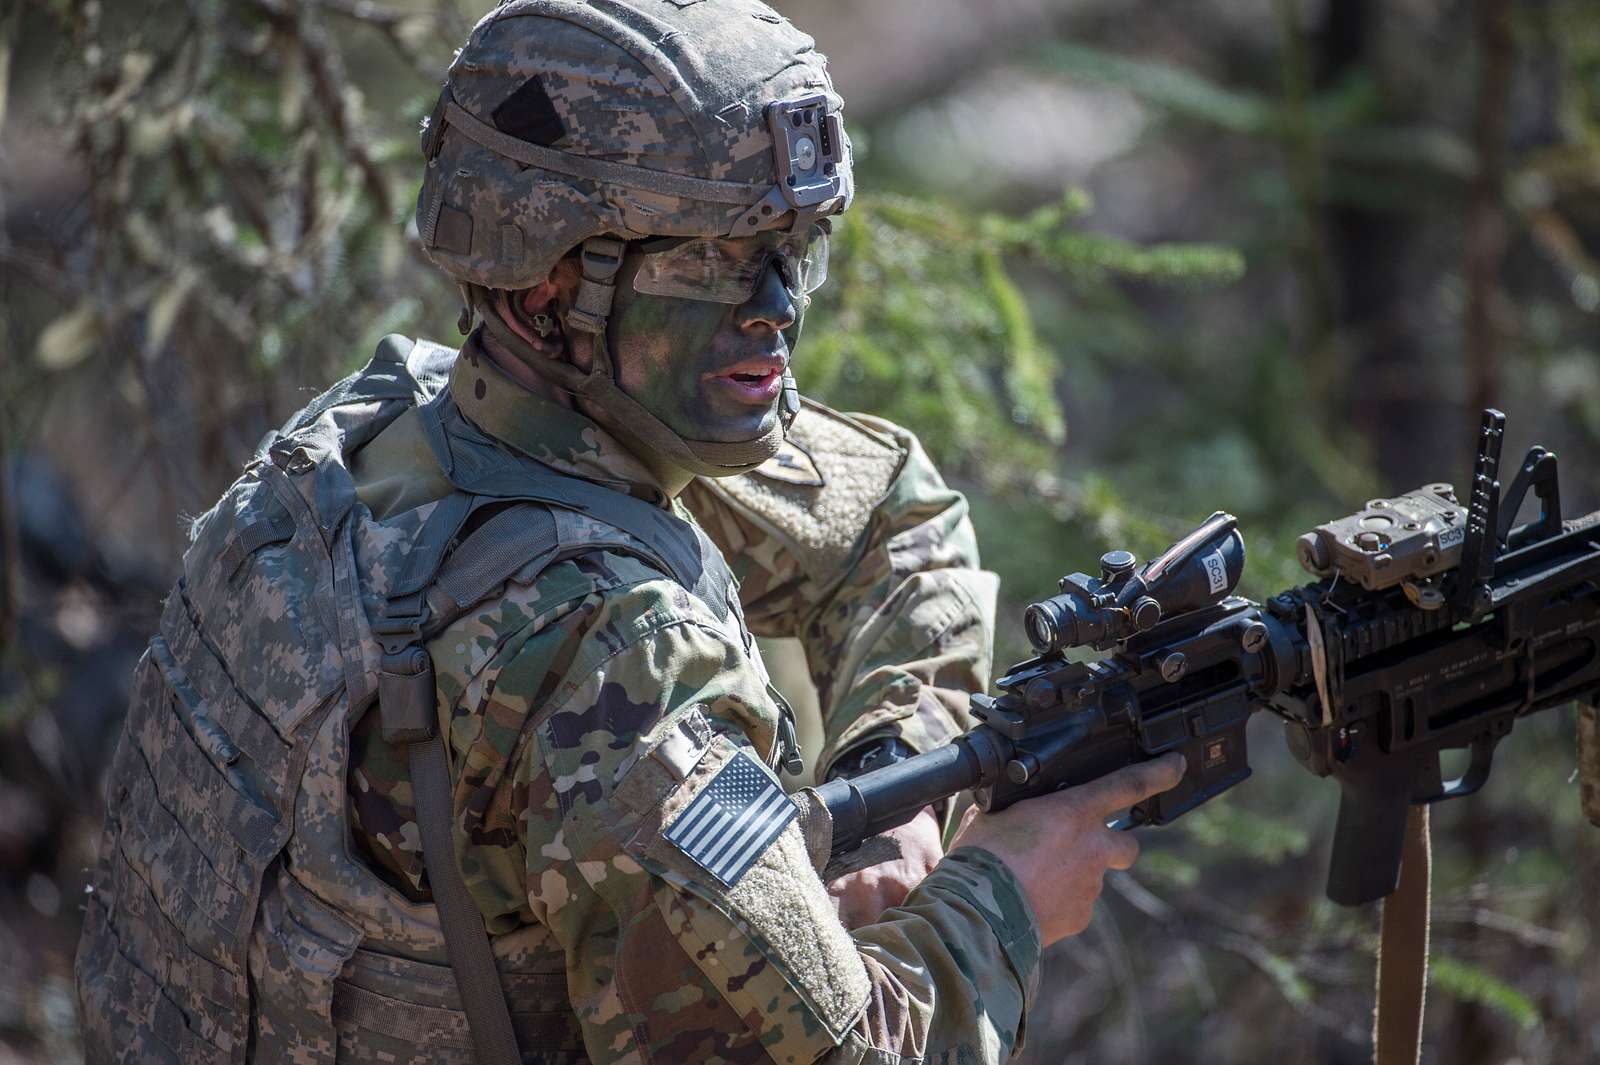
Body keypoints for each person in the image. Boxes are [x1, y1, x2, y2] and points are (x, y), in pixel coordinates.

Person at [75, 1, 1183, 1062]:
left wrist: (895, 801)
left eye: (794, 245)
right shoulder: (610, 667)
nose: (777, 306)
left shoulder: (378, 434)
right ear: (545, 285)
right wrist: (1006, 894)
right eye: (710, 258)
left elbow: (889, 517)